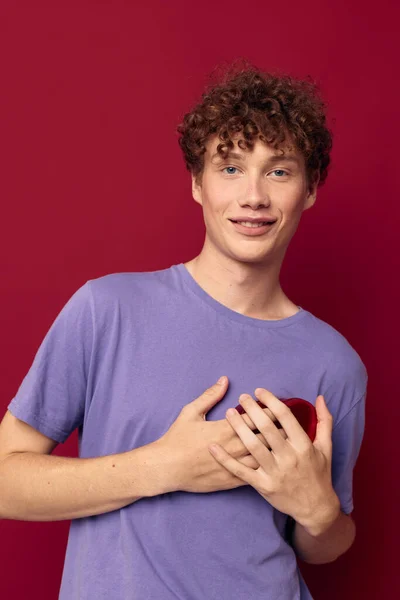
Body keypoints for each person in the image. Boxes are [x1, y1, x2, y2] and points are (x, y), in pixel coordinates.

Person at [0, 61, 368, 600]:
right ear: (197, 184)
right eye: (230, 168)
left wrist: (320, 512)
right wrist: (163, 466)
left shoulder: (335, 364)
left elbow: (326, 541)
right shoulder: (107, 310)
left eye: (279, 171)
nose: (254, 197)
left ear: (309, 191)